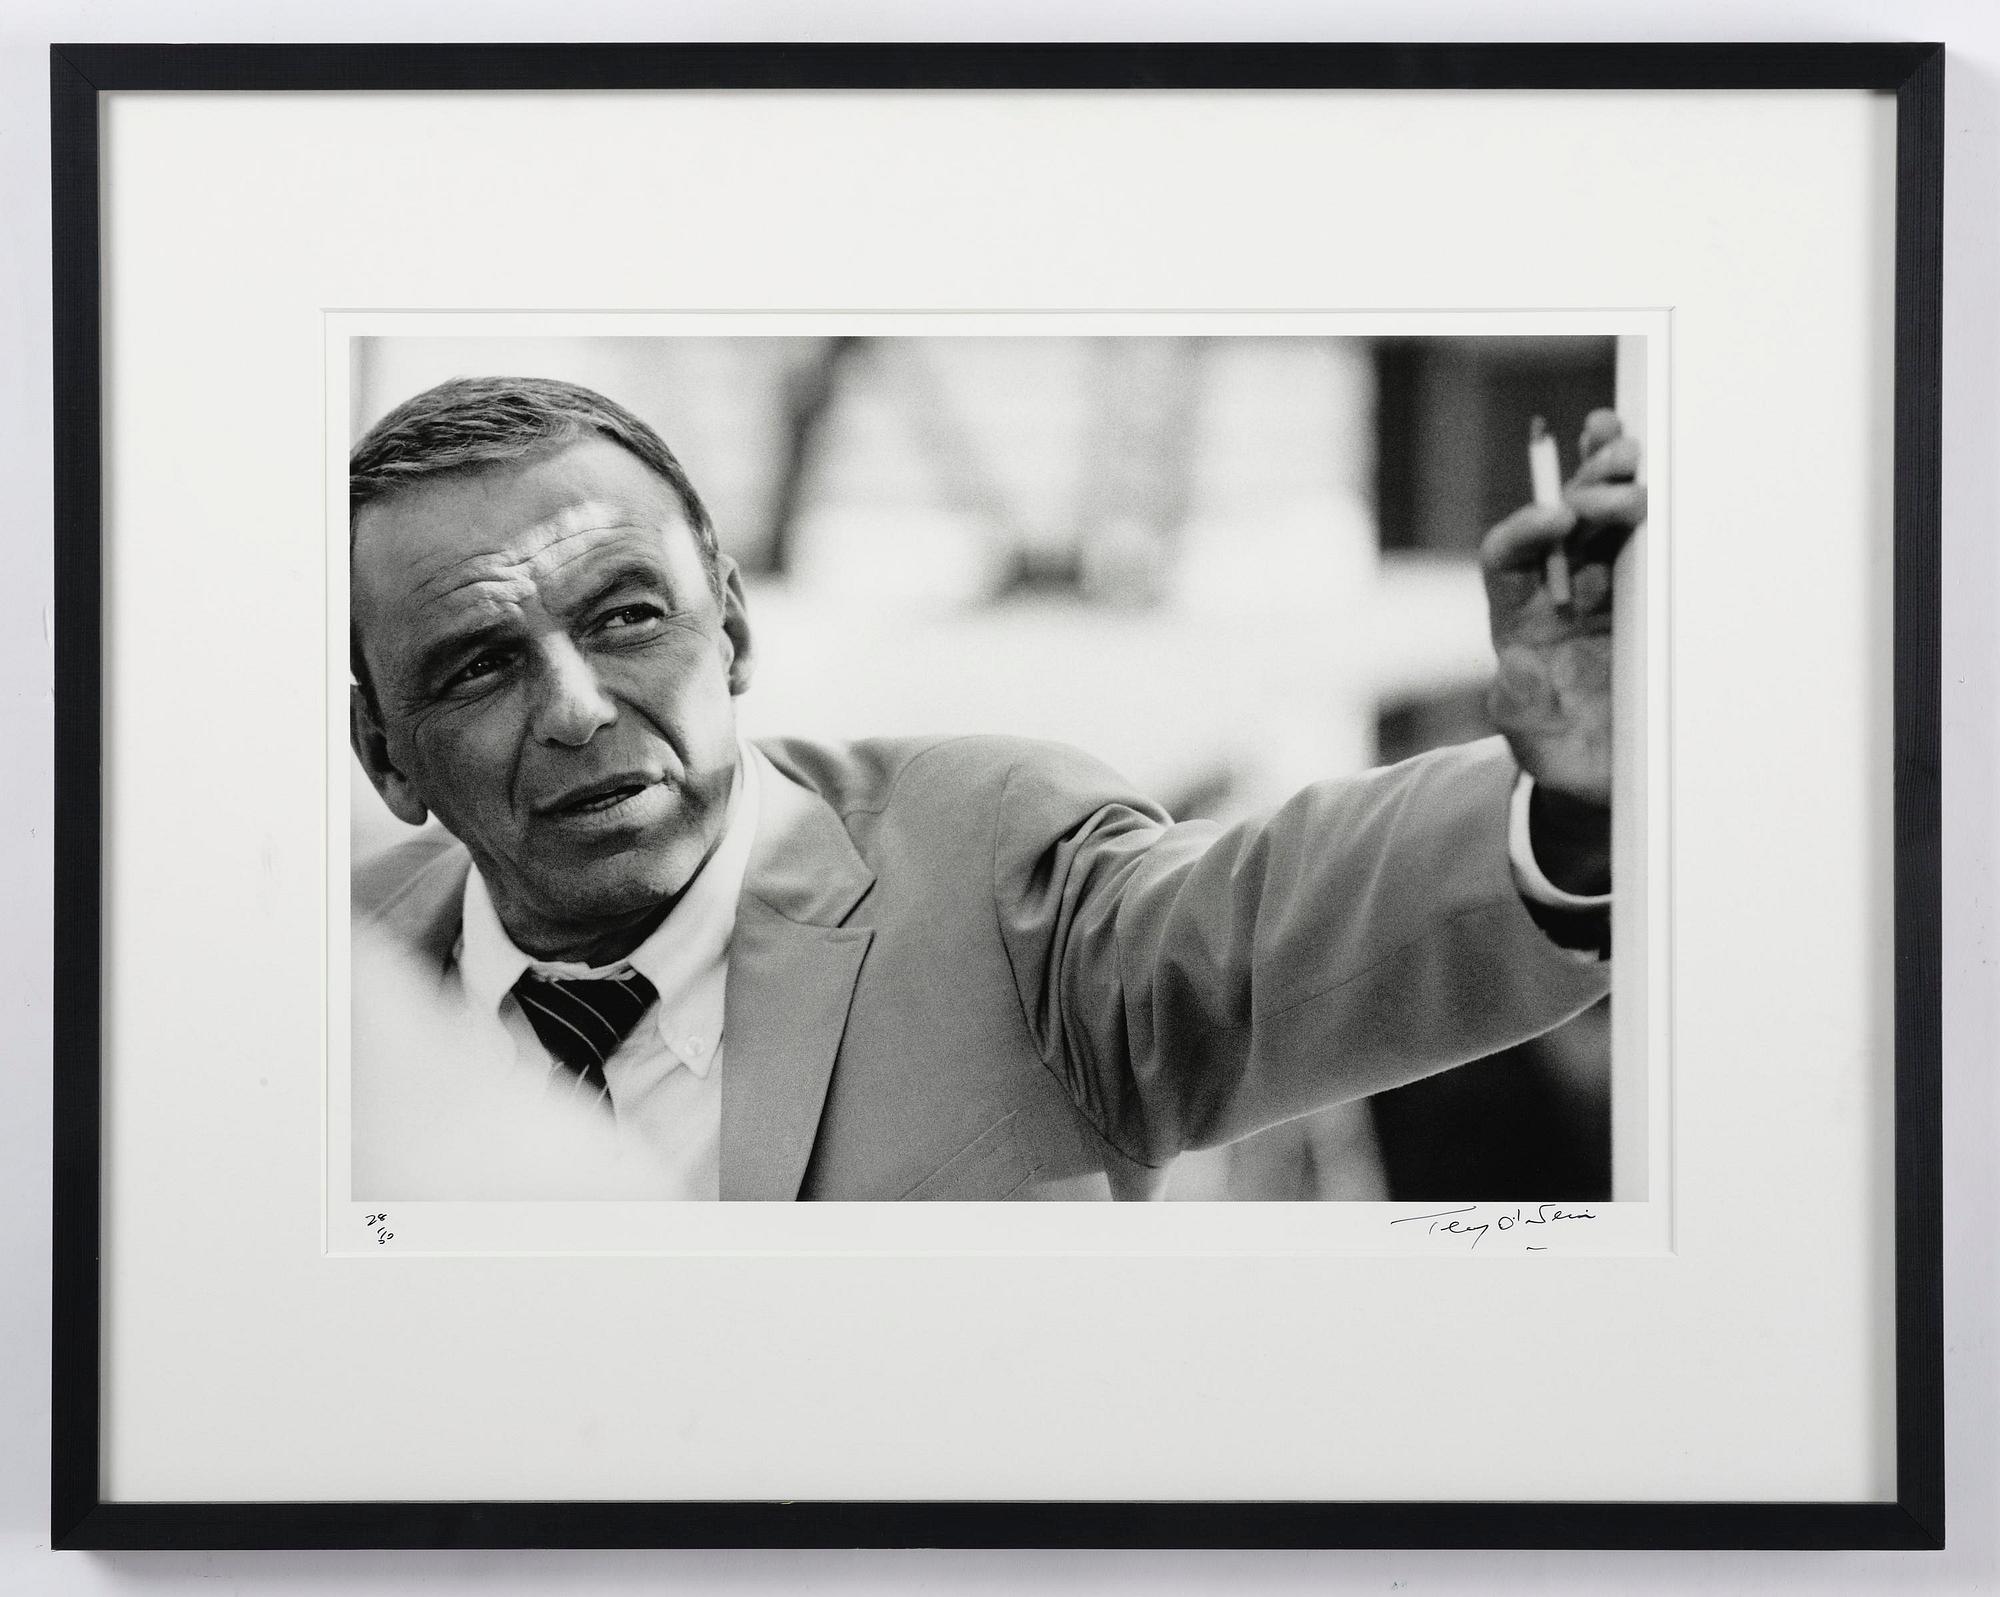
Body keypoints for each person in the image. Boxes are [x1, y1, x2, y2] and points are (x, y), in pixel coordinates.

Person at [348, 375, 1639, 1201]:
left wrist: (1567, 805)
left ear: (732, 632)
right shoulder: (320, 997)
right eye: (477, 668)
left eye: (628, 616)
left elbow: (1265, 920)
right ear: (387, 753)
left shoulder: (991, 869)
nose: (576, 708)